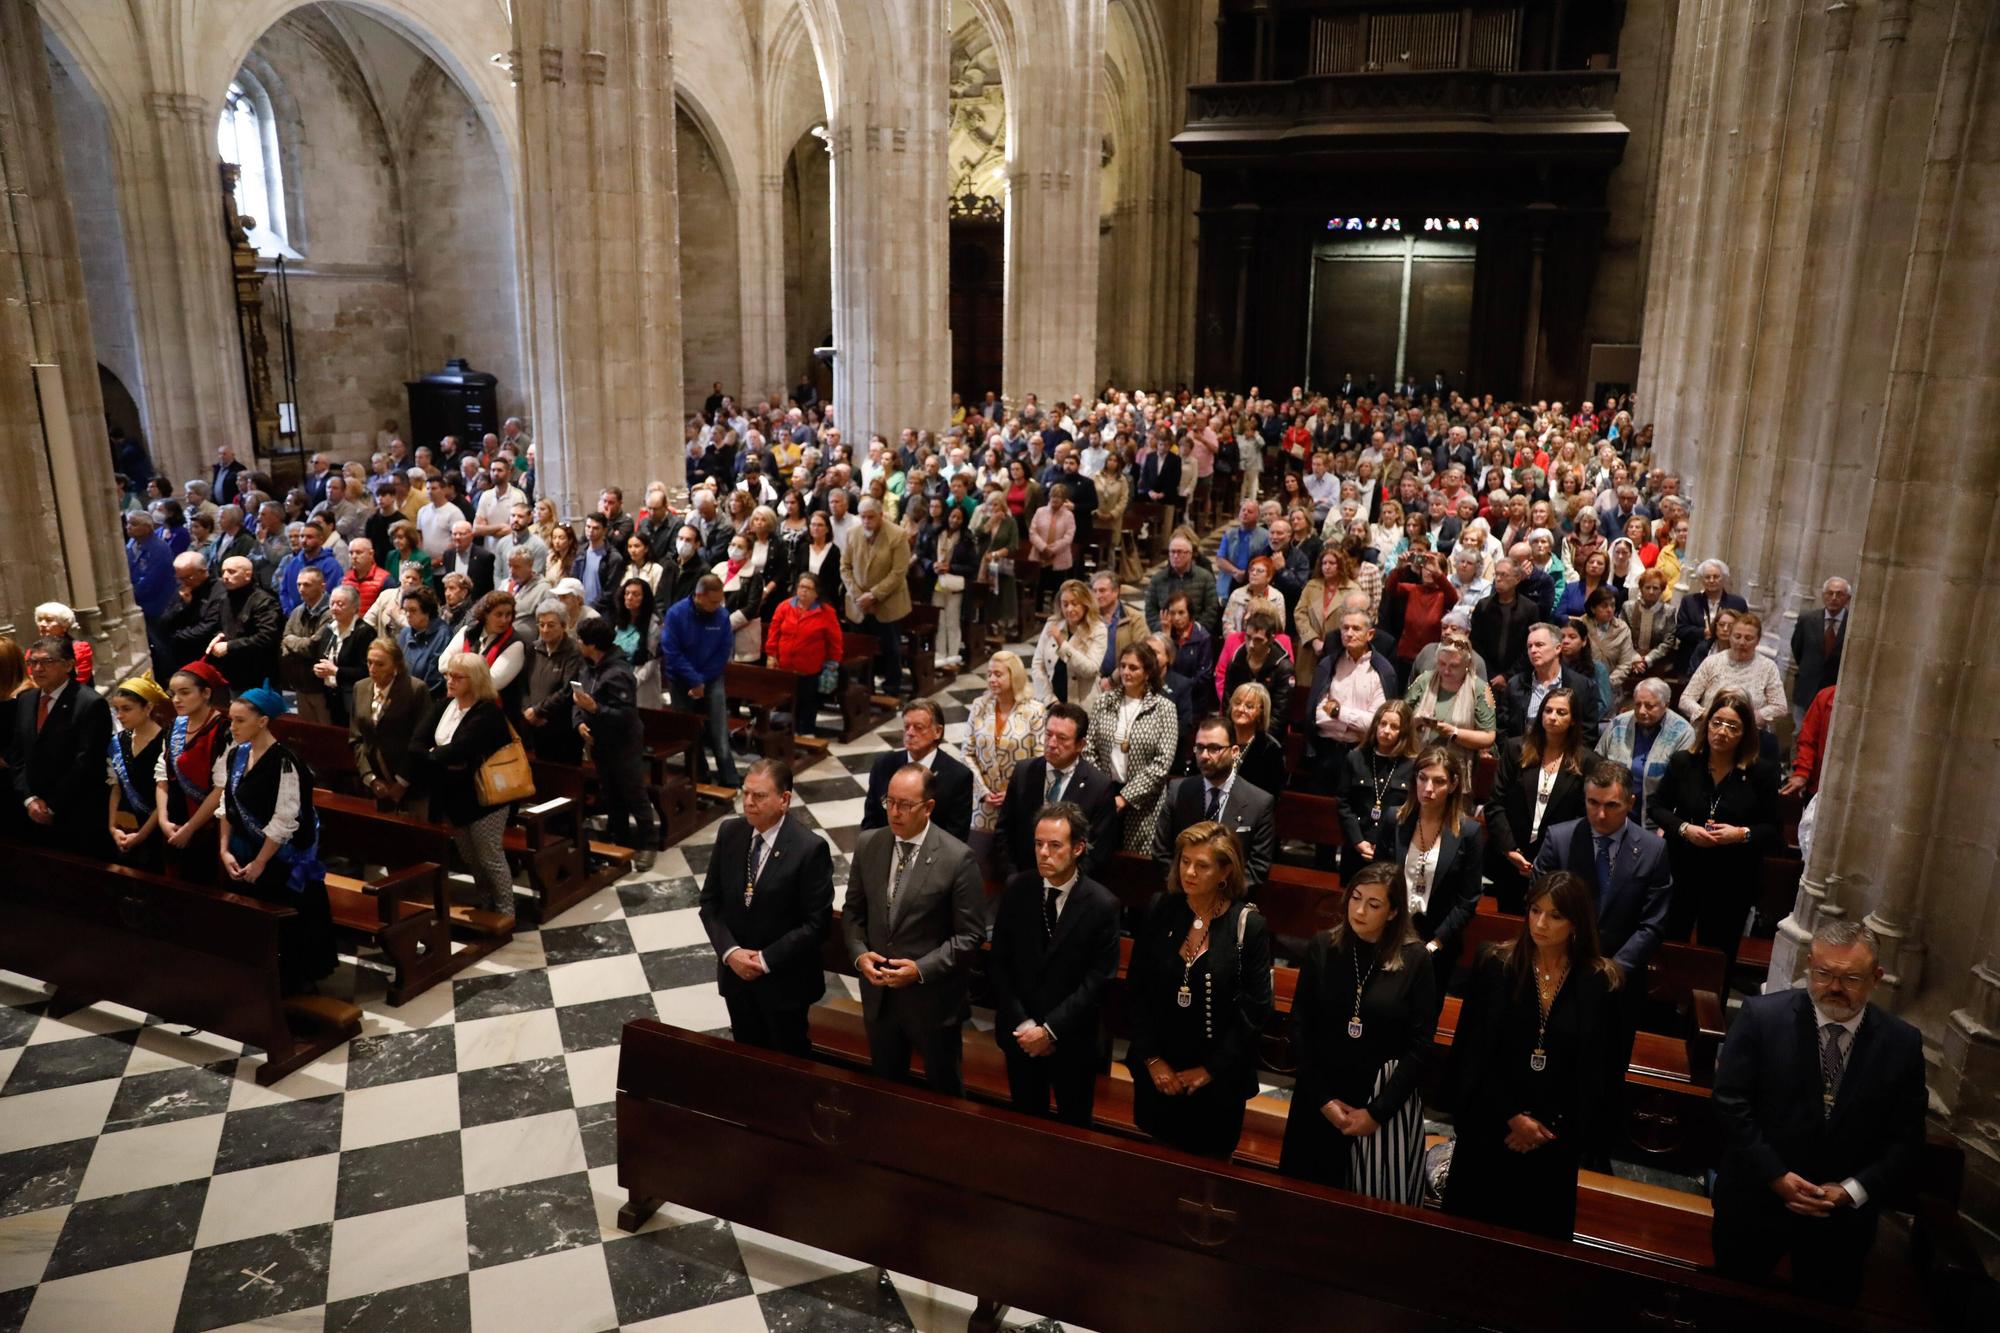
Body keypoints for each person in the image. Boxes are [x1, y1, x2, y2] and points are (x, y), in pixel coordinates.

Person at [1710, 920, 1927, 1302]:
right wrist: (1775, 1175)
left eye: (1851, 978)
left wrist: (1851, 1190)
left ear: (1876, 977)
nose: (1835, 988)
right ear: (1810, 963)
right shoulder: (1762, 1018)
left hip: (1840, 1224)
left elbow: (1906, 1139)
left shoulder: (1902, 1044)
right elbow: (1731, 1102)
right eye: (1824, 973)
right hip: (1756, 1204)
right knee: (1731, 1306)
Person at [1443, 871, 1627, 1241]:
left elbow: (1599, 1071)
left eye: (1555, 916)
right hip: (1490, 1127)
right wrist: (1510, 1115)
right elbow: (1473, 1050)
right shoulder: (1496, 963)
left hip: (1553, 1139)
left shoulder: (1600, 982)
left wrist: (1548, 1125)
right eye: (1535, 911)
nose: (1541, 923)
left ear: (1577, 923)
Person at [1278, 863, 1439, 1202]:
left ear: (1394, 911)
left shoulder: (1415, 960)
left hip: (1379, 1104)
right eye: (1355, 898)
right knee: (1302, 1206)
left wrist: (1377, 1112)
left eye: (1374, 904)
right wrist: (1323, 1101)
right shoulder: (1324, 946)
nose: (1360, 910)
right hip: (1320, 1098)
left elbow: (1420, 1046)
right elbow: (1299, 1026)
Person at [1124, 821, 1273, 1158]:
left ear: (1225, 872)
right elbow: (1137, 989)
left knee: (1205, 1185)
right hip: (1159, 1071)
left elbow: (1256, 1009)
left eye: (1202, 865)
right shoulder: (1162, 908)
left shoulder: (1247, 925)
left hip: (1217, 1082)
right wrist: (1153, 1059)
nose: (1189, 871)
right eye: (1185, 861)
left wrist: (1210, 1070)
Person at [841, 763, 986, 1095]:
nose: (894, 812)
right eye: (889, 802)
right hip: (879, 998)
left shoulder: (957, 858)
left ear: (929, 807)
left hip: (931, 1003)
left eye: (905, 805)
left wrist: (920, 970)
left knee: (943, 1092)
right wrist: (860, 956)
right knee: (885, 1091)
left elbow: (970, 936)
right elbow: (853, 912)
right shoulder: (869, 845)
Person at [988, 802, 1122, 1126]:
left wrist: (1049, 1031)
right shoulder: (1019, 889)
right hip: (1021, 1037)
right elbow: (999, 963)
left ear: (1078, 848)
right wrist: (1024, 1026)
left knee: (1073, 1131)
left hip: (1072, 1043)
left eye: (1054, 845)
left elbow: (1097, 981)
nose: (1044, 853)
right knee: (1024, 1126)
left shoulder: (1102, 905)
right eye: (1038, 844)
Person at [697, 758, 833, 1058]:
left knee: (787, 1062)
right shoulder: (730, 833)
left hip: (784, 983)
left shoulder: (809, 848)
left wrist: (763, 960)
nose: (748, 803)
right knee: (745, 1060)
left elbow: (816, 924)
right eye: (745, 793)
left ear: (784, 799)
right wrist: (731, 953)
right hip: (736, 977)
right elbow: (710, 903)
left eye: (758, 796)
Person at [214, 688, 338, 993]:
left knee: (286, 934)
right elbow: (227, 805)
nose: (233, 727)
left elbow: (284, 821)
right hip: (241, 857)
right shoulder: (236, 755)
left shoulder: (285, 762)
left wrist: (259, 863)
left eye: (240, 721)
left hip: (279, 864)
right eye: (231, 720)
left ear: (263, 721)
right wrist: (224, 849)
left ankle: (290, 989)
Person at [1653, 689, 1780, 967]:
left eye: (1732, 726)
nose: (1722, 731)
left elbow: (1772, 829)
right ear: (1706, 724)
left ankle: (1707, 1010)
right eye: (1717, 722)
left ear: (1745, 733)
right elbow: (1658, 808)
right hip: (1683, 870)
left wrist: (1740, 834)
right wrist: (1685, 828)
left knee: (1716, 958)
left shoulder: (1762, 773)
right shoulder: (1684, 762)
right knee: (1670, 947)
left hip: (1731, 877)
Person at [1534, 762, 1674, 980]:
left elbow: (1653, 924)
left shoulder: (1652, 850)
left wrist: (1614, 968)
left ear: (1630, 803)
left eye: (1611, 806)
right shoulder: (1559, 839)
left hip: (1621, 975)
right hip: (1559, 966)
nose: (1600, 815)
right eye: (1593, 803)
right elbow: (1537, 903)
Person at [415, 653, 520, 930]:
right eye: (448, 675)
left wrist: (436, 754)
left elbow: (462, 749)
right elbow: (417, 742)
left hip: (487, 797)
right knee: (469, 855)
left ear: (475, 681)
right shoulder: (444, 706)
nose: (449, 680)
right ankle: (486, 902)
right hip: (454, 796)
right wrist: (438, 755)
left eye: (457, 677)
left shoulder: (488, 713)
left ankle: (506, 910)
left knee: (489, 855)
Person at [1369, 744, 1485, 989]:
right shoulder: (1394, 819)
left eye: (1439, 781)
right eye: (1423, 778)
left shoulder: (1469, 833)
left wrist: (1436, 942)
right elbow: (1377, 877)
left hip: (1436, 940)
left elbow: (1468, 899)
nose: (1429, 788)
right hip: (1392, 929)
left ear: (1453, 784)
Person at [1486, 687, 1589, 914]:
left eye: (1561, 712)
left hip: (1556, 864)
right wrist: (1509, 848)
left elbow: (1581, 818)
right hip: (1511, 857)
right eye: (1548, 710)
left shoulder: (1586, 761)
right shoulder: (1515, 749)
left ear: (1573, 720)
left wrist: (1546, 857)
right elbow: (1495, 803)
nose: (1552, 717)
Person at [994, 702, 1120, 880]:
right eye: (1048, 734)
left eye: (1061, 738)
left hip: (1071, 891)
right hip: (1022, 881)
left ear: (1080, 744)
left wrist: (1062, 885)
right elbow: (1004, 831)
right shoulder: (1024, 772)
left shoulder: (1099, 787)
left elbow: (1098, 852)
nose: (1052, 743)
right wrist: (1012, 876)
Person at [11, 637, 113, 857]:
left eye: (47, 661)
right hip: (32, 809)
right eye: (32, 662)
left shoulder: (90, 703)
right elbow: (18, 754)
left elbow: (86, 762)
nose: (37, 669)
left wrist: (52, 804)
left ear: (68, 665)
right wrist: (29, 798)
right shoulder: (26, 699)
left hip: (75, 812)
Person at [1152, 715, 1276, 890]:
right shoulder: (1177, 790)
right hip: (1182, 896)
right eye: (1200, 748)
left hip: (1229, 903)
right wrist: (1188, 889)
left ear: (1234, 752)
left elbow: (1258, 868)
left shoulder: (1259, 802)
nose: (1204, 756)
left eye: (1214, 748)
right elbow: (1161, 852)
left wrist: (1214, 895)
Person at [573, 616, 659, 868]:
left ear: (592, 644)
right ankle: (619, 838)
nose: (577, 643)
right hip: (600, 741)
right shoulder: (588, 665)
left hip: (623, 743)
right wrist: (579, 722)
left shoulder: (618, 673)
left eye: (580, 640)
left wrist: (596, 709)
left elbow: (626, 716)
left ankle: (648, 843)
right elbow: (577, 697)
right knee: (610, 793)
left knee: (633, 793)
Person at [1087, 644, 1179, 853]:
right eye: (1123, 666)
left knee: (1135, 867)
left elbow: (1162, 763)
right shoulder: (1104, 701)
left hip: (1144, 801)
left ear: (1147, 672)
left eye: (1134, 668)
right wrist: (1102, 792)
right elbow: (1089, 749)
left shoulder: (1164, 708)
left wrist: (1126, 797)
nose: (1126, 672)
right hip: (1105, 794)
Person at [1304, 603, 1399, 790]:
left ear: (1370, 634)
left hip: (1362, 755)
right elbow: (1318, 715)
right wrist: (1355, 722)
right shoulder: (1328, 665)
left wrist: (1338, 712)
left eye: (1356, 628)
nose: (1349, 633)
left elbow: (1375, 723)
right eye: (1345, 628)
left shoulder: (1383, 671)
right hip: (1326, 753)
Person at [659, 574, 741, 788]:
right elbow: (672, 652)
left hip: (711, 678)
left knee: (719, 731)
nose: (718, 606)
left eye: (720, 601)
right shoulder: (676, 614)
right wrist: (693, 680)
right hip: (680, 680)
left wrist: (701, 681)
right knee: (687, 730)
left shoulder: (722, 616)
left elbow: (723, 652)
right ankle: (699, 774)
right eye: (714, 601)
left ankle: (729, 779)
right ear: (699, 596)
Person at [966, 651, 1044, 867]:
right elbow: (967, 752)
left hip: (1018, 801)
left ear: (1014, 676)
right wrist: (982, 791)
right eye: (989, 674)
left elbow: (1039, 758)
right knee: (980, 867)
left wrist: (1012, 790)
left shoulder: (1034, 711)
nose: (992, 679)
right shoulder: (979, 706)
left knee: (1013, 864)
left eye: (998, 674)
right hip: (985, 804)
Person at [861, 700, 974, 846]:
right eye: (907, 727)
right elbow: (871, 820)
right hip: (885, 851)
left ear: (937, 731)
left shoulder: (958, 776)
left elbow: (956, 836)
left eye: (918, 728)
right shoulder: (884, 764)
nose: (910, 733)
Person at [155, 660, 229, 882]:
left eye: (185, 693)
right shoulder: (175, 726)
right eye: (173, 693)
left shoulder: (223, 730)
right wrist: (163, 819)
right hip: (173, 820)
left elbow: (221, 788)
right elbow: (162, 775)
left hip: (207, 824)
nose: (176, 699)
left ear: (206, 693)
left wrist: (189, 829)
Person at [1595, 677, 1695, 832]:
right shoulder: (1618, 723)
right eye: (1637, 704)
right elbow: (1597, 764)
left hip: (1657, 823)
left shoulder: (1683, 733)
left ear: (1666, 705)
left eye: (1649, 706)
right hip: (1613, 815)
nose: (1641, 711)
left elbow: (1683, 789)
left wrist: (1667, 825)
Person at [841, 497, 913, 697]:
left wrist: (874, 595)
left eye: (870, 517)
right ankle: (865, 688)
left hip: (887, 603)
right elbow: (845, 567)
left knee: (891, 648)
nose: (866, 521)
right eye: (862, 517)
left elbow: (898, 573)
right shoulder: (852, 534)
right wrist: (857, 595)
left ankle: (892, 689)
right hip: (859, 604)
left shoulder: (897, 535)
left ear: (881, 515)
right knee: (861, 649)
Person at [763, 572, 843, 738]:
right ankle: (784, 732)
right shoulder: (784, 607)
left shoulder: (826, 612)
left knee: (807, 701)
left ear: (816, 592)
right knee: (785, 700)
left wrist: (833, 663)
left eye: (808, 588)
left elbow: (835, 640)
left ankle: (806, 732)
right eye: (801, 587)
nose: (803, 591)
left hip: (809, 667)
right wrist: (771, 655)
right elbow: (774, 632)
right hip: (785, 666)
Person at [350, 637, 425, 810]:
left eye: (380, 664)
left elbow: (420, 741)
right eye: (369, 662)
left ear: (396, 667)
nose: (372, 669)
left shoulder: (415, 690)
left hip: (409, 783)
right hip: (374, 783)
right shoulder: (360, 688)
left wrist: (401, 783)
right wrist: (370, 778)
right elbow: (356, 738)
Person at [1680, 611, 1788, 731]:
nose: (1742, 643)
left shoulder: (1768, 667)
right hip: (1710, 729)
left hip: (1748, 732)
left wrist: (1752, 717)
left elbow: (1780, 707)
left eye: (1748, 638)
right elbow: (1685, 700)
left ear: (1758, 641)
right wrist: (1707, 716)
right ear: (1730, 637)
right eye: (1737, 636)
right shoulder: (1712, 661)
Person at [104, 675, 169, 872]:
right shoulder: (119, 740)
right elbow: (116, 786)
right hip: (124, 823)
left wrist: (141, 836)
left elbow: (165, 794)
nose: (120, 716)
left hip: (154, 828)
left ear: (148, 708)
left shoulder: (164, 743)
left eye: (127, 709)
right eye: (117, 710)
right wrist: (112, 827)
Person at [1501, 622, 1601, 743]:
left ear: (1558, 648)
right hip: (1522, 756)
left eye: (1539, 645)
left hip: (1566, 757)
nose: (1533, 650)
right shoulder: (1515, 685)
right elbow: (1502, 730)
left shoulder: (1583, 686)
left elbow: (1587, 734)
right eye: (1529, 646)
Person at [203, 556, 284, 694]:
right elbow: (221, 627)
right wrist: (219, 637)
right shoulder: (225, 600)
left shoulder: (264, 601)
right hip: (234, 673)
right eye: (223, 572)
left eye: (231, 571)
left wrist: (229, 646)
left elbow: (267, 636)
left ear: (247, 575)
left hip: (260, 675)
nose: (225, 576)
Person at [1030, 577, 1106, 706]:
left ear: (1085, 604)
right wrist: (1050, 700)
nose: (1069, 609)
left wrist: (1062, 643)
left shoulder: (1098, 629)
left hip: (1081, 704)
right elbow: (1038, 665)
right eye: (1065, 604)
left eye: (1074, 604)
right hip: (1052, 701)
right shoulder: (1052, 624)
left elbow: (1090, 670)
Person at [1789, 577, 1851, 727]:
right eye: (1830, 593)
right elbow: (1797, 648)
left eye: (1839, 594)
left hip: (1834, 693)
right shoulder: (1807, 619)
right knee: (1800, 734)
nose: (1834, 598)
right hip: (1806, 690)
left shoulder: (1853, 624)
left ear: (1848, 598)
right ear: (1823, 595)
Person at [1673, 558, 1748, 675]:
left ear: (1723, 578)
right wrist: (1704, 632)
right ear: (1701, 580)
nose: (1711, 580)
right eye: (1707, 577)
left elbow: (1745, 630)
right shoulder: (1689, 601)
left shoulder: (1738, 603)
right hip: (1692, 660)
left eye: (1716, 577)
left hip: (1728, 661)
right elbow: (1680, 630)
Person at [1143, 532, 1221, 635]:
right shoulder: (1158, 579)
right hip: (1166, 634)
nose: (1175, 556)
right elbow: (1150, 610)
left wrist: (1194, 632)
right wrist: (1162, 628)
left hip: (1196, 637)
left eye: (1179, 552)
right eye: (1172, 552)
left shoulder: (1205, 577)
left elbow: (1211, 609)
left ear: (1189, 554)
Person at [1226, 682, 1286, 798]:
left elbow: (1270, 794)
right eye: (1237, 703)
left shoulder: (1270, 749)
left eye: (1249, 706)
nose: (1241, 709)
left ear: (1261, 713)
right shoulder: (1219, 736)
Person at [32, 603, 94, 686]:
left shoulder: (78, 648)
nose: (42, 624)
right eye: (40, 620)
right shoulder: (33, 650)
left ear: (64, 625)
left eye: (49, 620)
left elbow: (80, 680)